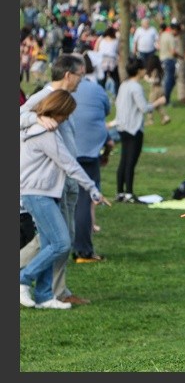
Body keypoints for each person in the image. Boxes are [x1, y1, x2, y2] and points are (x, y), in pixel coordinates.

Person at [21, 89, 112, 309]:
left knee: (48, 244)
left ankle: (44, 296)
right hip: (38, 193)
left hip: (44, 192)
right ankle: (22, 279)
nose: (68, 118)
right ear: (59, 110)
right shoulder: (45, 133)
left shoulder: (41, 129)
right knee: (62, 243)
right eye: (67, 114)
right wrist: (93, 190)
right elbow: (68, 163)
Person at [20, 53, 92, 306]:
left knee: (61, 238)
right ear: (68, 75)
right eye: (80, 76)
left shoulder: (65, 99)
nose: (81, 81)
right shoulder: (43, 97)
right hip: (51, 181)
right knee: (55, 240)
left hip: (66, 177)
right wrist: (36, 118)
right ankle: (46, 288)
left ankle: (53, 291)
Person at [71, 53, 113, 263]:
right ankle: (83, 250)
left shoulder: (59, 91)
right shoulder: (97, 90)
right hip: (87, 153)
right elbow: (105, 111)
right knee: (84, 202)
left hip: (66, 151)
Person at [110, 58, 167, 203]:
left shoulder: (124, 85)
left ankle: (120, 192)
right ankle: (129, 193)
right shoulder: (136, 87)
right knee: (131, 161)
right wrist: (158, 102)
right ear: (139, 71)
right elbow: (144, 107)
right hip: (134, 129)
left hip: (122, 127)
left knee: (124, 160)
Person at [143, 54, 171, 125]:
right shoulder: (160, 70)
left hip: (156, 89)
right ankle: (165, 117)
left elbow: (156, 80)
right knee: (157, 105)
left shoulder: (155, 71)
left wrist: (147, 79)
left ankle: (150, 120)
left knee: (150, 104)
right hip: (160, 88)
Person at [158, 21, 179, 106]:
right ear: (174, 29)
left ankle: (165, 99)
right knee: (169, 81)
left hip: (162, 59)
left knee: (167, 81)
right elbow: (173, 52)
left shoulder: (163, 35)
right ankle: (166, 100)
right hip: (169, 60)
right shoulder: (171, 37)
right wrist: (180, 56)